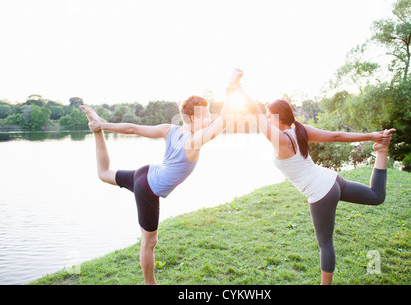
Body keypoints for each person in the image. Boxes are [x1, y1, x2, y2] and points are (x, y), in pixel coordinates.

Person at [80, 69, 243, 285]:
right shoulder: (193, 141)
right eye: (205, 114)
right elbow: (224, 120)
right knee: (149, 242)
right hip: (148, 188)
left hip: (145, 173)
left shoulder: (170, 130)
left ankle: (96, 132)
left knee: (104, 174)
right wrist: (231, 88)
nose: (209, 117)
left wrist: (102, 126)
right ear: (193, 117)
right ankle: (150, 284)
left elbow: (133, 128)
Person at [237, 84, 395, 285]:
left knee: (325, 244)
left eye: (269, 117)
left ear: (277, 117)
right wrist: (372, 136)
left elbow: (253, 111)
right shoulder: (300, 130)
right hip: (332, 180)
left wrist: (238, 87)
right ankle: (381, 152)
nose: (267, 120)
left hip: (320, 192)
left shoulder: (281, 139)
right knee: (376, 197)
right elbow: (337, 136)